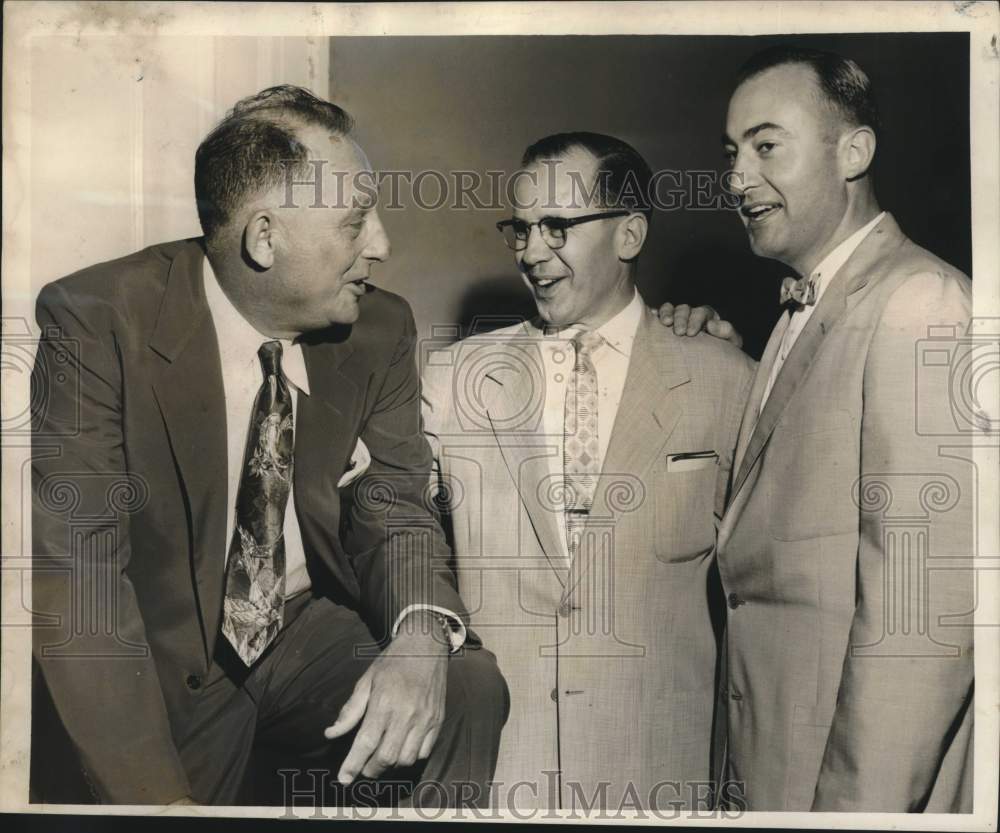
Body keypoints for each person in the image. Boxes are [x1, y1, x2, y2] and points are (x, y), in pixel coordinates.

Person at [30, 85, 507, 807]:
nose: (382, 244)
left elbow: (397, 504)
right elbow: (83, 580)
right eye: (355, 224)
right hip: (158, 657)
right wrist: (158, 804)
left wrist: (419, 634)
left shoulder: (379, 329)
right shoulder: (97, 321)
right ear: (263, 238)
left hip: (302, 629)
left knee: (466, 681)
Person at [663, 46, 974, 811]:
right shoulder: (795, 313)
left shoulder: (919, 301)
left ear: (854, 150)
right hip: (770, 767)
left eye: (767, 145)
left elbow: (920, 617)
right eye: (731, 153)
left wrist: (853, 816)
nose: (736, 176)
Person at [422, 132, 755, 811]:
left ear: (629, 232)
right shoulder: (453, 377)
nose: (532, 252)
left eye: (557, 227)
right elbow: (390, 535)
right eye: (521, 229)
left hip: (664, 773)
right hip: (499, 774)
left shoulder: (725, 378)